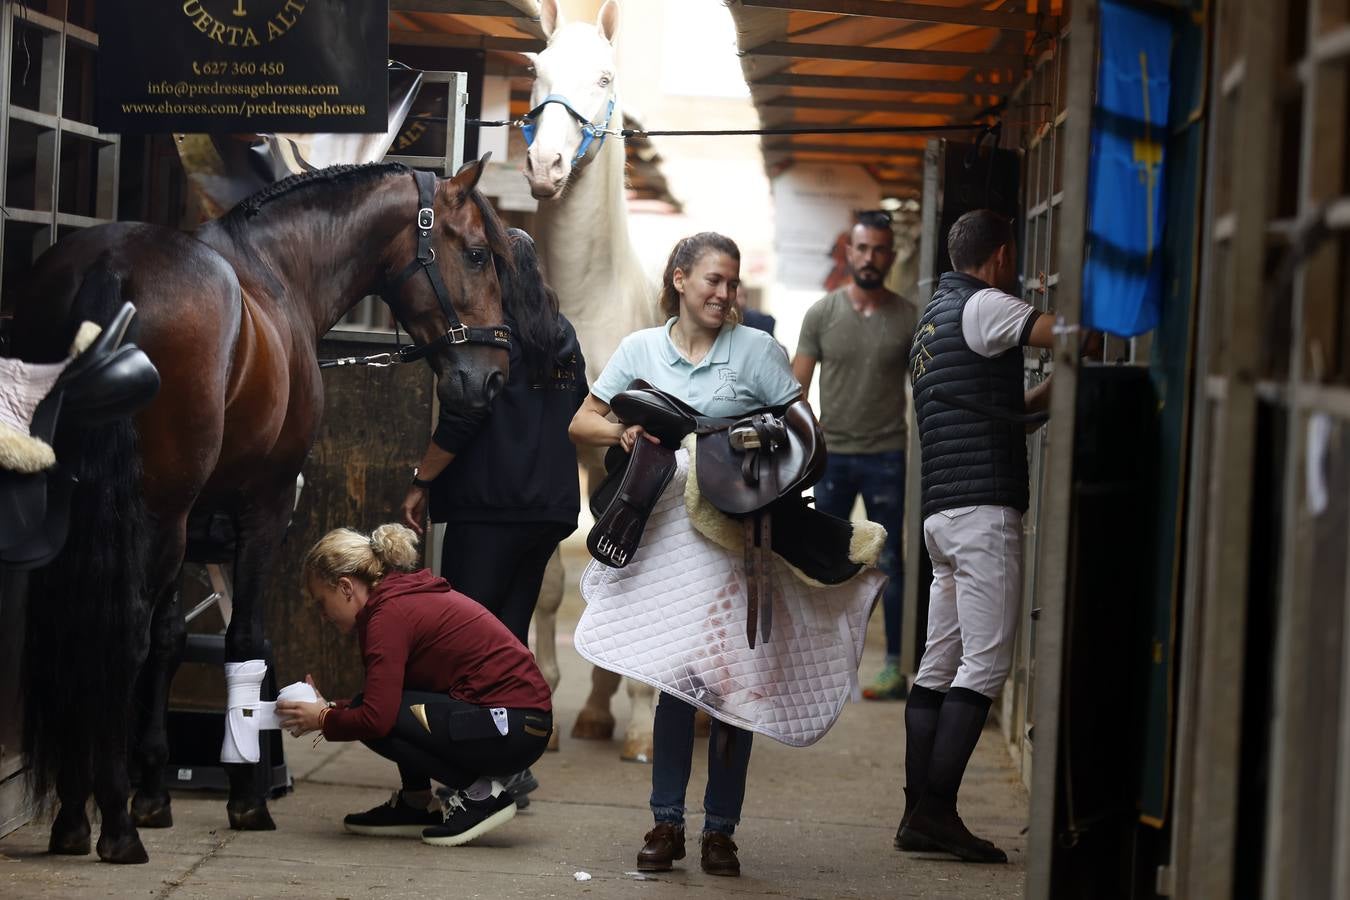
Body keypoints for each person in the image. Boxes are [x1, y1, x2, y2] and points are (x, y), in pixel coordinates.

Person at [568, 232, 804, 877]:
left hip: (735, 543)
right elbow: (582, 421)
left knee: (732, 688)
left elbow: (807, 434)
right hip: (663, 542)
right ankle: (666, 823)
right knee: (675, 681)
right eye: (712, 282)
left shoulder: (757, 351)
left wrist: (758, 443)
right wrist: (626, 432)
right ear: (679, 279)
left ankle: (721, 832)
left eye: (732, 284)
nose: (724, 295)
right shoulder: (640, 349)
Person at [399, 228, 586, 808]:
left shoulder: (488, 336)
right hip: (547, 510)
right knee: (508, 640)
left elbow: (462, 416)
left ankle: (481, 770)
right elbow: (578, 409)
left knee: (463, 645)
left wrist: (421, 481)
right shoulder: (559, 333)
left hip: (488, 509)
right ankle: (508, 769)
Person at [897, 209, 1054, 862]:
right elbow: (1077, 339)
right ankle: (936, 812)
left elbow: (1002, 414)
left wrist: (1052, 391)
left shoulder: (934, 319)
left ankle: (917, 814)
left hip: (942, 515)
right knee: (986, 662)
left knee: (939, 664)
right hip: (983, 512)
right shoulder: (989, 305)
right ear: (1002, 255)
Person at [276, 523, 554, 848]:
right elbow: (389, 700)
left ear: (346, 587)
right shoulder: (394, 601)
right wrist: (333, 709)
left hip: (514, 726)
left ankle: (482, 797)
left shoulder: (387, 616)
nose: (323, 615)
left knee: (374, 717)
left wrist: (323, 719)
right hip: (519, 722)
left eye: (321, 602)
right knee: (370, 708)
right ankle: (415, 804)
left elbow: (377, 718)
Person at [792, 209, 916, 700]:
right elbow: (796, 390)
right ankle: (816, 662)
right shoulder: (822, 313)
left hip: (888, 453)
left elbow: (925, 386)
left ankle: (892, 666)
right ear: (849, 252)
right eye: (862, 248)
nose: (870, 257)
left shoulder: (909, 317)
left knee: (891, 560)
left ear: (890, 255)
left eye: (879, 249)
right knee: (825, 558)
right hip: (834, 455)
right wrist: (811, 441)